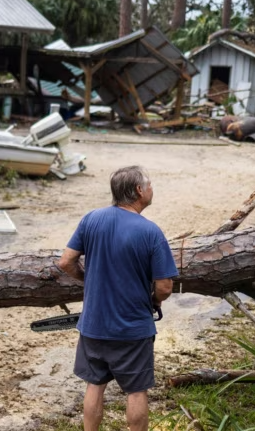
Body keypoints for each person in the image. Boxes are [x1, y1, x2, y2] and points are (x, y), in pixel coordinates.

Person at [57, 165, 177, 431]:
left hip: (94, 326)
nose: (151, 189)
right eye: (150, 184)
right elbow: (165, 286)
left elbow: (66, 261)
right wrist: (154, 301)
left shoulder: (91, 219)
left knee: (95, 385)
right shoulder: (151, 232)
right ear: (138, 191)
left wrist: (88, 279)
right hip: (132, 330)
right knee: (136, 391)